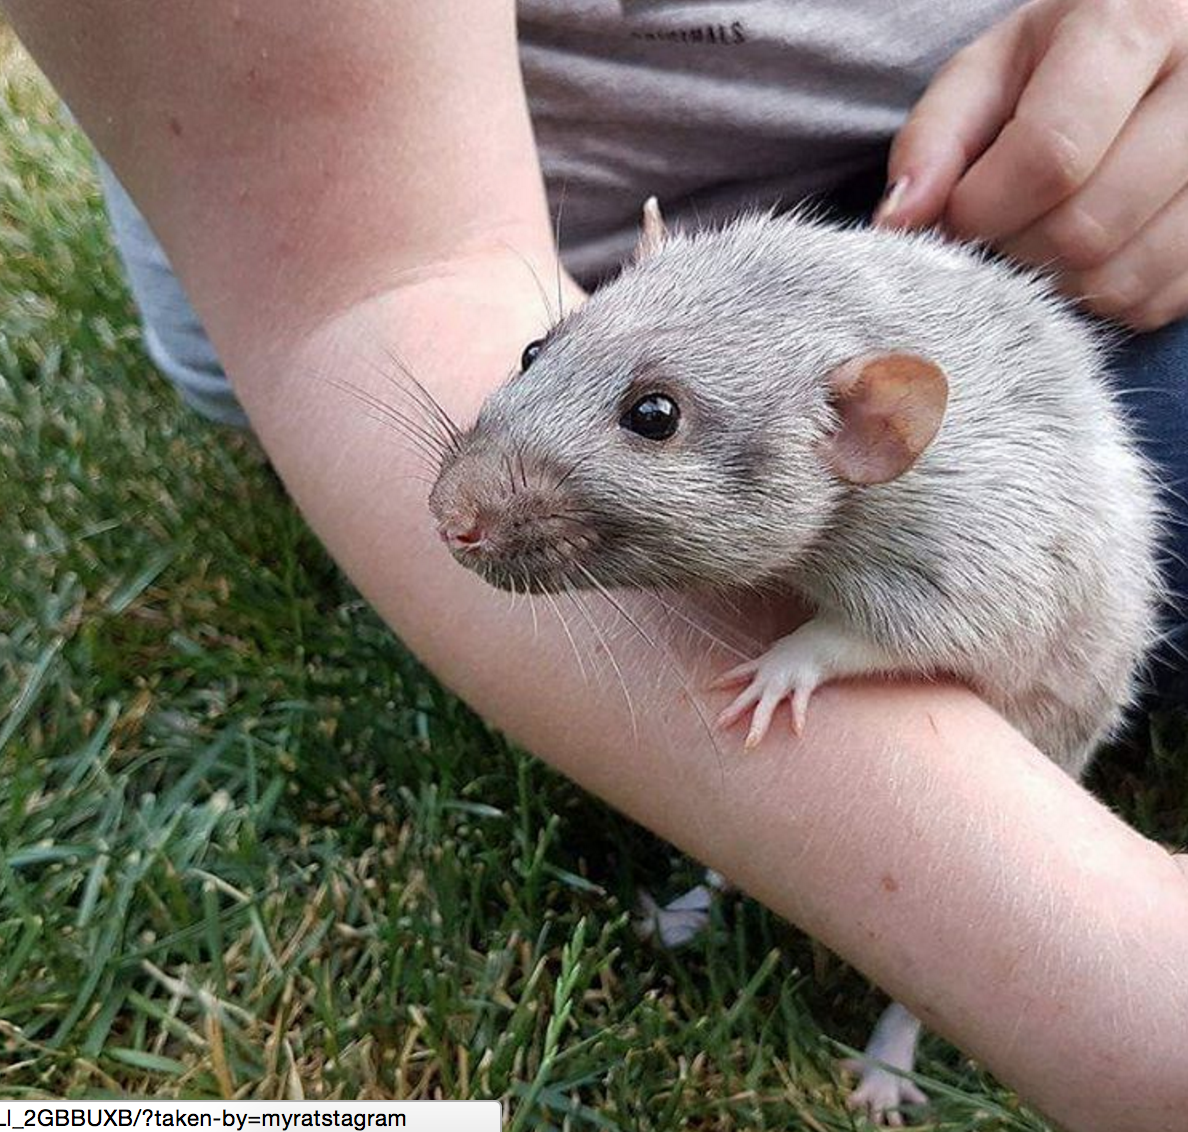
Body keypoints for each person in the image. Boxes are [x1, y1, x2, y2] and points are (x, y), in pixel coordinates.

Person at [5, 1, 1187, 1128]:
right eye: (543, 353)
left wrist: (828, 651)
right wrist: (1113, 966)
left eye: (652, 416)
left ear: (866, 435)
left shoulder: (942, 493)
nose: (461, 513)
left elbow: (989, 604)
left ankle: (898, 1038)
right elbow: (382, 281)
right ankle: (718, 878)